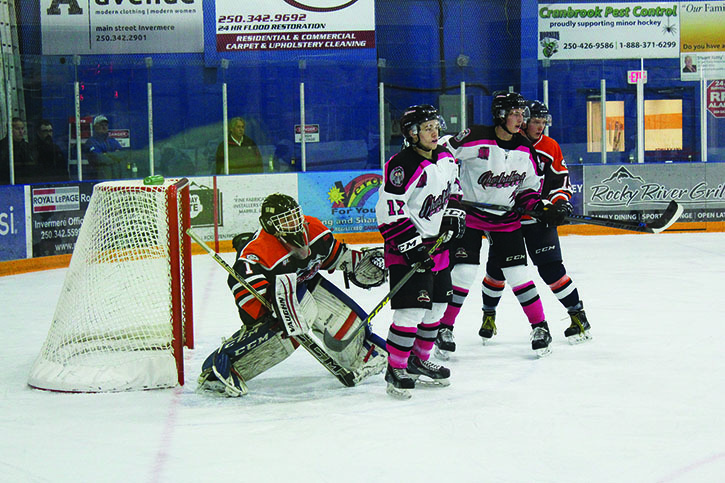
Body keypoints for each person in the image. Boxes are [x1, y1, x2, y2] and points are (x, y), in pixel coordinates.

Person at [198, 193, 389, 397]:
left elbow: (333, 257)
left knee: (348, 325)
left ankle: (363, 354)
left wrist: (358, 263)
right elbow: (240, 286)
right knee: (295, 319)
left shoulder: (313, 228)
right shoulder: (257, 250)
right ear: (270, 225)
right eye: (285, 220)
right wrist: (274, 306)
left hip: (305, 286)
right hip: (272, 307)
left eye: (294, 216)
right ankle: (219, 368)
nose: (294, 223)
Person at [435, 91, 568, 359]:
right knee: (463, 272)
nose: (521, 119)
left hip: (505, 218)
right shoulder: (475, 137)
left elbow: (530, 188)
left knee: (518, 273)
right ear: (500, 115)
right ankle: (444, 328)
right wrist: (451, 192)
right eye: (515, 114)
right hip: (470, 215)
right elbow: (440, 153)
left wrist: (538, 207)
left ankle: (540, 327)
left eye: (522, 114)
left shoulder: (524, 149)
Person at [477, 100, 592, 349]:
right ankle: (488, 315)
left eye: (543, 122)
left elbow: (561, 183)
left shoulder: (550, 147)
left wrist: (558, 204)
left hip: (539, 219)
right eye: (535, 121)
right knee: (497, 272)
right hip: (507, 222)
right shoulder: (505, 143)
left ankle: (577, 315)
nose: (539, 127)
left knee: (551, 270)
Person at [375, 104, 466, 398]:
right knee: (411, 311)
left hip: (437, 246)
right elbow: (388, 210)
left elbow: (454, 191)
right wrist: (411, 247)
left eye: (435, 126)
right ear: (412, 133)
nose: (434, 132)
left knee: (438, 307)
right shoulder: (402, 165)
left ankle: (419, 360)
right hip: (407, 249)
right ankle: (396, 367)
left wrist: (453, 213)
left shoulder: (446, 158)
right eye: (427, 128)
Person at [84, 115, 124, 180]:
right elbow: (99, 158)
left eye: (106, 125)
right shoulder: (91, 142)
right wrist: (113, 156)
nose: (104, 127)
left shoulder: (112, 141)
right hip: (97, 177)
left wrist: (106, 155)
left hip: (115, 178)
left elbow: (121, 155)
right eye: (101, 125)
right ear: (95, 127)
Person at [1, 117, 35, 185]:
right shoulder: (2, 146)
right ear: (9, 130)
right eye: (17, 129)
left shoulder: (27, 147)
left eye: (22, 128)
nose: (21, 132)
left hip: (27, 182)